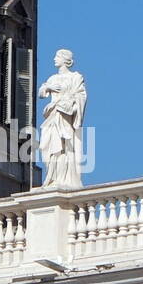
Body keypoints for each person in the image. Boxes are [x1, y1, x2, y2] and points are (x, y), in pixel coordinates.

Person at [38, 48, 88, 190]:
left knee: (62, 147)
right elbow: (41, 94)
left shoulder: (75, 77)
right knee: (45, 147)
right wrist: (48, 87)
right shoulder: (52, 78)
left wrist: (71, 105)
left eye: (57, 56)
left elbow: (81, 96)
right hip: (52, 115)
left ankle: (60, 179)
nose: (54, 59)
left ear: (65, 60)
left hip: (64, 115)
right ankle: (51, 177)